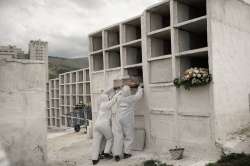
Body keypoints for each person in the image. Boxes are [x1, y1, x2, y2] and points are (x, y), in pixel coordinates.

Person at [113, 85, 143, 161]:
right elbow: (138, 96)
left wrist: (119, 90)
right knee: (129, 136)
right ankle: (126, 153)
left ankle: (117, 154)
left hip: (118, 119)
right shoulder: (130, 98)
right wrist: (140, 88)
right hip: (127, 120)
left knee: (118, 136)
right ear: (129, 92)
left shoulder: (119, 98)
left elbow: (117, 94)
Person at [91, 91, 120, 165]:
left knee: (96, 142)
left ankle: (94, 159)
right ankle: (106, 153)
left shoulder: (101, 105)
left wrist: (112, 89)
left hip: (96, 125)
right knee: (110, 138)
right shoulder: (106, 104)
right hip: (104, 124)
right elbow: (114, 100)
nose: (109, 97)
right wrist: (119, 92)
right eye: (108, 97)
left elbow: (106, 95)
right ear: (106, 98)